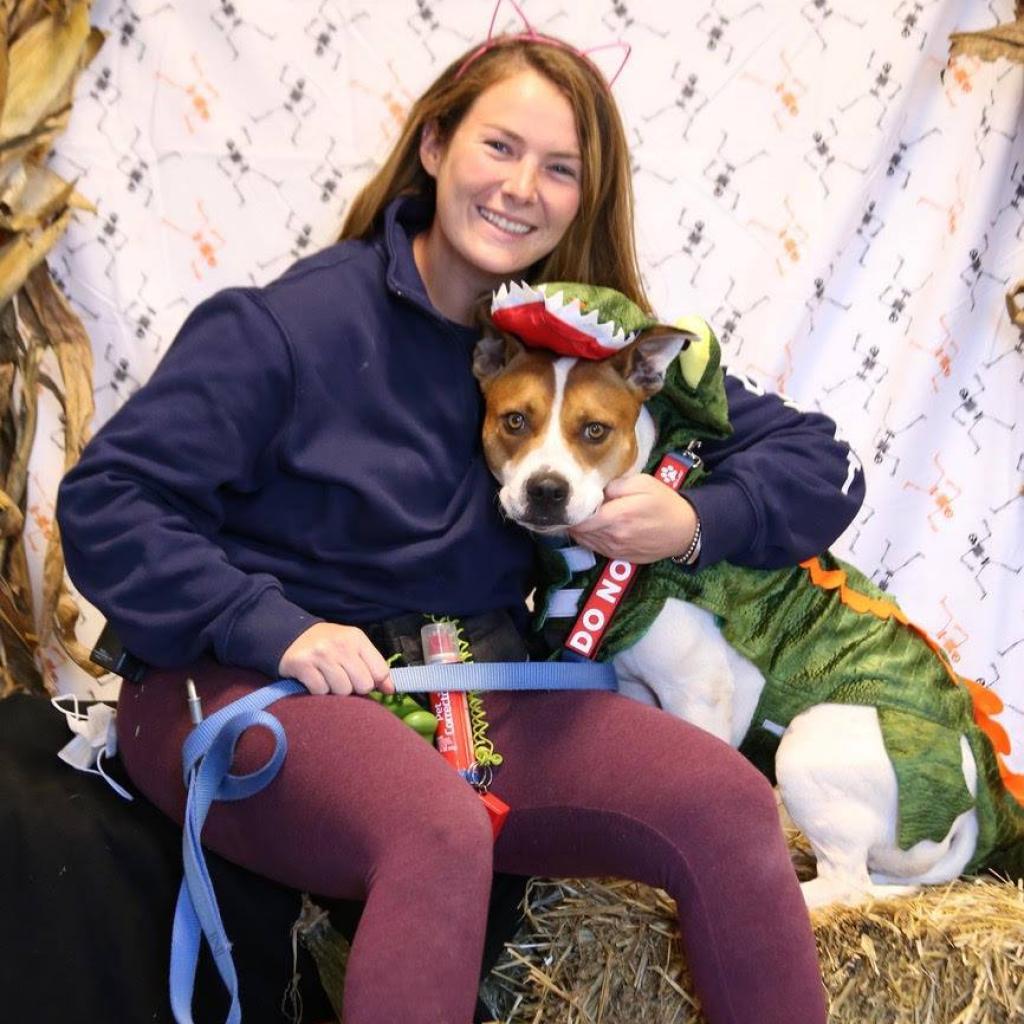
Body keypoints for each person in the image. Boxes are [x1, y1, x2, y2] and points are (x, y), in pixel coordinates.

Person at [57, 16, 861, 1024]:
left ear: (586, 197)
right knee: (436, 831)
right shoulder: (285, 326)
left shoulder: (579, 346)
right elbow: (106, 500)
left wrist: (694, 518)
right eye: (500, 145)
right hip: (245, 681)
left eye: (560, 168)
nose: (523, 187)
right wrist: (278, 626)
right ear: (435, 146)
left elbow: (818, 462)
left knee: (729, 805)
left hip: (474, 691)